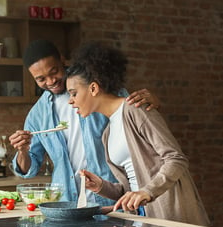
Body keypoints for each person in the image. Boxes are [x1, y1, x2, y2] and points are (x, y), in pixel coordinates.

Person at [66, 41, 209, 226]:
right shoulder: (108, 132)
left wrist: (147, 191)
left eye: (73, 93)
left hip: (167, 215)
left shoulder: (136, 109)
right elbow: (131, 187)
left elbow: (176, 159)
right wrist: (101, 186)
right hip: (141, 219)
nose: (70, 101)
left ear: (93, 88)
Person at [9, 39, 160, 206]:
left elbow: (137, 119)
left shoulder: (100, 90)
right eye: (41, 79)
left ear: (62, 59)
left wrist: (150, 104)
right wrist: (22, 151)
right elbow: (28, 171)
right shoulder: (37, 115)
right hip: (67, 203)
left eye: (54, 72)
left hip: (112, 198)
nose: (51, 81)